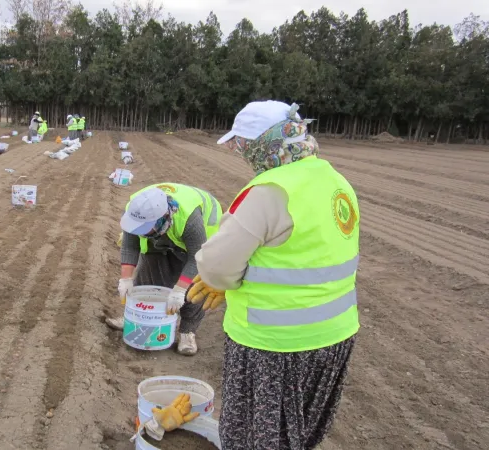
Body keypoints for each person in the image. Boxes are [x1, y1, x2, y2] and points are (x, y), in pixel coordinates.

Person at [190, 101, 360, 449]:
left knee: (253, 437)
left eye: (241, 145)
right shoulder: (334, 181)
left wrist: (229, 283)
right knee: (299, 434)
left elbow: (215, 267)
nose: (240, 154)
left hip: (275, 345)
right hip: (335, 338)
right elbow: (306, 254)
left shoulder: (271, 191)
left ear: (260, 144)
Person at [107, 183, 222, 355]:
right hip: (163, 231)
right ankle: (134, 318)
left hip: (199, 242)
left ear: (163, 217)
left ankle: (187, 332)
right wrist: (125, 280)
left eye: (144, 228)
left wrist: (179, 290)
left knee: (193, 286)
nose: (139, 230)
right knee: (149, 270)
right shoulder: (135, 211)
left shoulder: (189, 219)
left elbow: (196, 258)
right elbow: (130, 247)